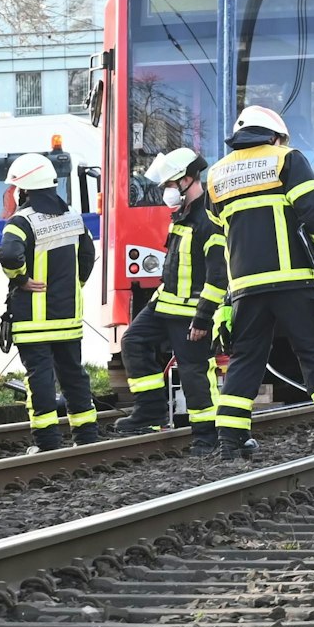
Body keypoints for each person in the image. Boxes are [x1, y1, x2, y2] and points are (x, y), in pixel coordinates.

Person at [207, 105, 314, 459]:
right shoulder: (286, 159)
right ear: (274, 136)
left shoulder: (215, 175)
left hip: (244, 288)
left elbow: (217, 243)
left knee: (245, 360)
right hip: (293, 282)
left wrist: (224, 298)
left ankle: (229, 442)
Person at [114, 147, 223, 449]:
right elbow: (175, 268)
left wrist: (203, 317)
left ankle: (207, 435)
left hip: (191, 313)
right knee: (133, 341)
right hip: (165, 305)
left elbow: (217, 276)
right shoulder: (184, 215)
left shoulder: (208, 220)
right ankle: (150, 410)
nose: (167, 192)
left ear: (188, 180)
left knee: (194, 371)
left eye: (171, 186)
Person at [0, 152, 103, 452]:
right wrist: (76, 284)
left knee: (40, 381)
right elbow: (86, 256)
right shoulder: (73, 218)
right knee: (74, 377)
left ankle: (48, 444)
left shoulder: (21, 222)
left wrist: (21, 279)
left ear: (25, 190)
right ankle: (87, 438)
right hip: (68, 319)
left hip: (33, 322)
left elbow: (8, 255)